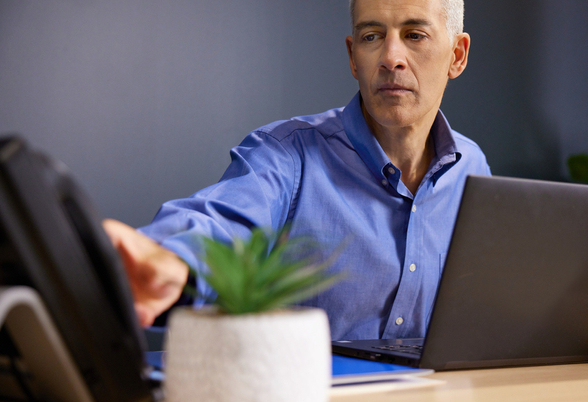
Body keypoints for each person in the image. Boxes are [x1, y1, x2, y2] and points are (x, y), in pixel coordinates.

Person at [104, 0, 490, 341]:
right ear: (353, 56)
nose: (391, 57)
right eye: (372, 36)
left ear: (457, 55)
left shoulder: (473, 169)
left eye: (415, 35)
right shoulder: (286, 155)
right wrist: (170, 260)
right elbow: (217, 222)